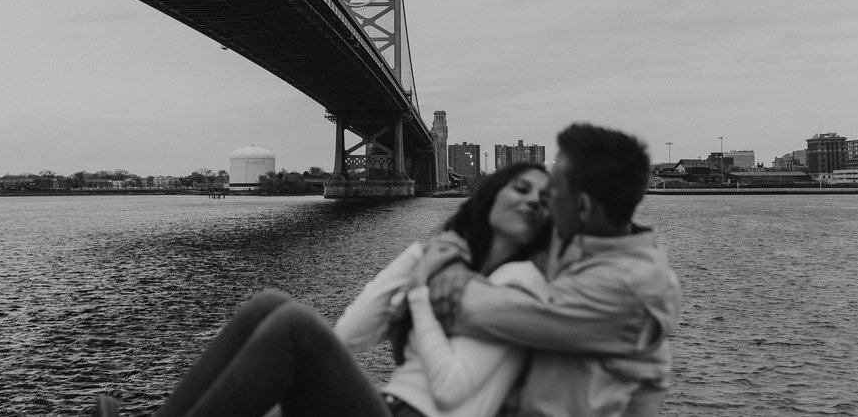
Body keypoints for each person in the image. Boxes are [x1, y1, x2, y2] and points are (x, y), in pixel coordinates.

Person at [96, 162, 552, 417]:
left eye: (546, 199)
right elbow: (350, 336)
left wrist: (416, 294)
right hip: (384, 407)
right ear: (491, 194)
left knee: (294, 325)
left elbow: (452, 391)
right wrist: (420, 256)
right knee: (269, 303)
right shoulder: (445, 264)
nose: (534, 200)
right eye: (523, 188)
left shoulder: (523, 282)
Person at [425, 123, 681, 417]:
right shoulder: (591, 246)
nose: (543, 199)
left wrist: (448, 266)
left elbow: (476, 312)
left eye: (553, 190)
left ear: (582, 207)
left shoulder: (624, 287)